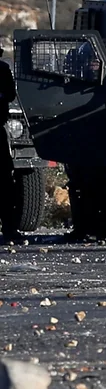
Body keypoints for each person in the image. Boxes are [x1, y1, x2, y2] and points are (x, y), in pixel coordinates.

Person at [0, 45, 25, 244]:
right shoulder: (2, 69)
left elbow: (9, 95)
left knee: (5, 183)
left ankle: (9, 228)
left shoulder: (2, 70)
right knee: (5, 183)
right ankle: (9, 228)